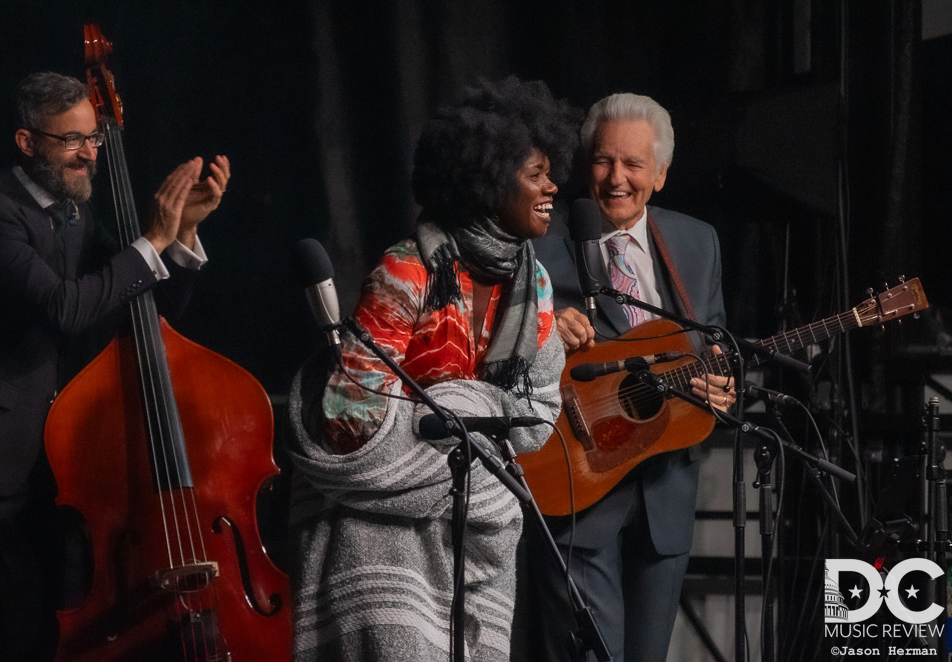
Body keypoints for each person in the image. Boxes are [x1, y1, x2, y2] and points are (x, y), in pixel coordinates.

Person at [0, 71, 230, 661]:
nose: (89, 154)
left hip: (55, 460)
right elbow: (67, 308)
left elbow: (136, 302)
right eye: (72, 140)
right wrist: (150, 240)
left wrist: (182, 233)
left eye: (94, 139)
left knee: (38, 630)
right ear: (27, 142)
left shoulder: (75, 215)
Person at [286, 76, 579, 661]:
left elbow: (537, 415)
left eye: (552, 171)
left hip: (471, 542)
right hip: (375, 535)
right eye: (535, 174)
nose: (553, 187)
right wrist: (470, 426)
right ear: (489, 181)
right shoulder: (406, 271)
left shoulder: (536, 284)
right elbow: (350, 422)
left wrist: (462, 414)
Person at [523, 93, 734, 662]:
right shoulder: (538, 241)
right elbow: (493, 348)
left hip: (666, 494)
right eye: (602, 160)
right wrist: (542, 331)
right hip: (578, 487)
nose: (616, 178)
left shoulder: (696, 241)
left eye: (633, 165)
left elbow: (713, 344)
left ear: (660, 174)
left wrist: (721, 390)